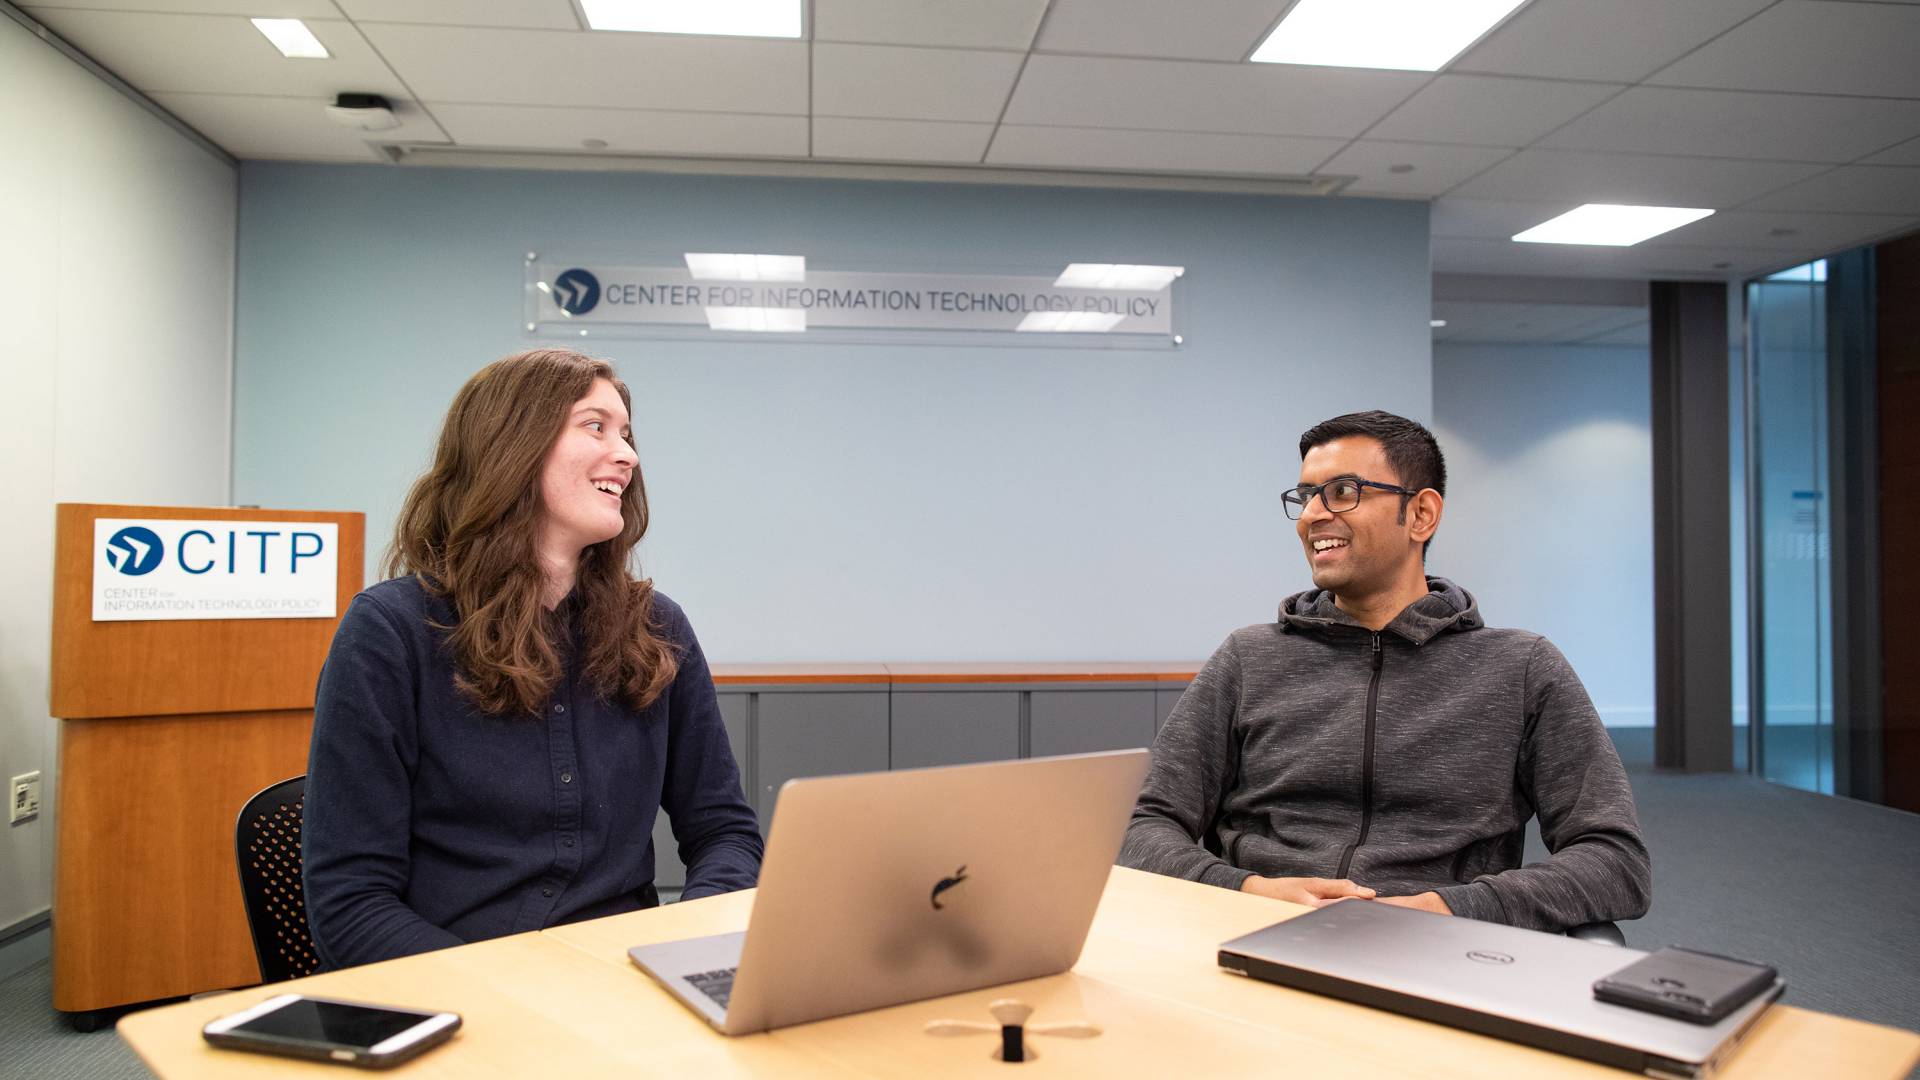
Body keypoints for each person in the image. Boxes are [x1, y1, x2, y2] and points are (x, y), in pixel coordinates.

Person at [303, 348, 762, 969]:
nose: (627, 455)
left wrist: (684, 946)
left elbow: (725, 834)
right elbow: (350, 905)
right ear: (511, 445)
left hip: (625, 986)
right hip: (460, 993)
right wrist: (520, 995)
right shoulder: (390, 633)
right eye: (595, 426)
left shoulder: (656, 626)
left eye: (627, 434)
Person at [1119, 410, 1650, 932]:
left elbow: (1614, 862)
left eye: (1343, 492)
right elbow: (1141, 826)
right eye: (1306, 496)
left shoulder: (1521, 667)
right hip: (1254, 933)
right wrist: (1246, 891)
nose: (1311, 516)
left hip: (1440, 955)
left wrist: (1442, 910)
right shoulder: (1248, 657)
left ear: (1421, 514)